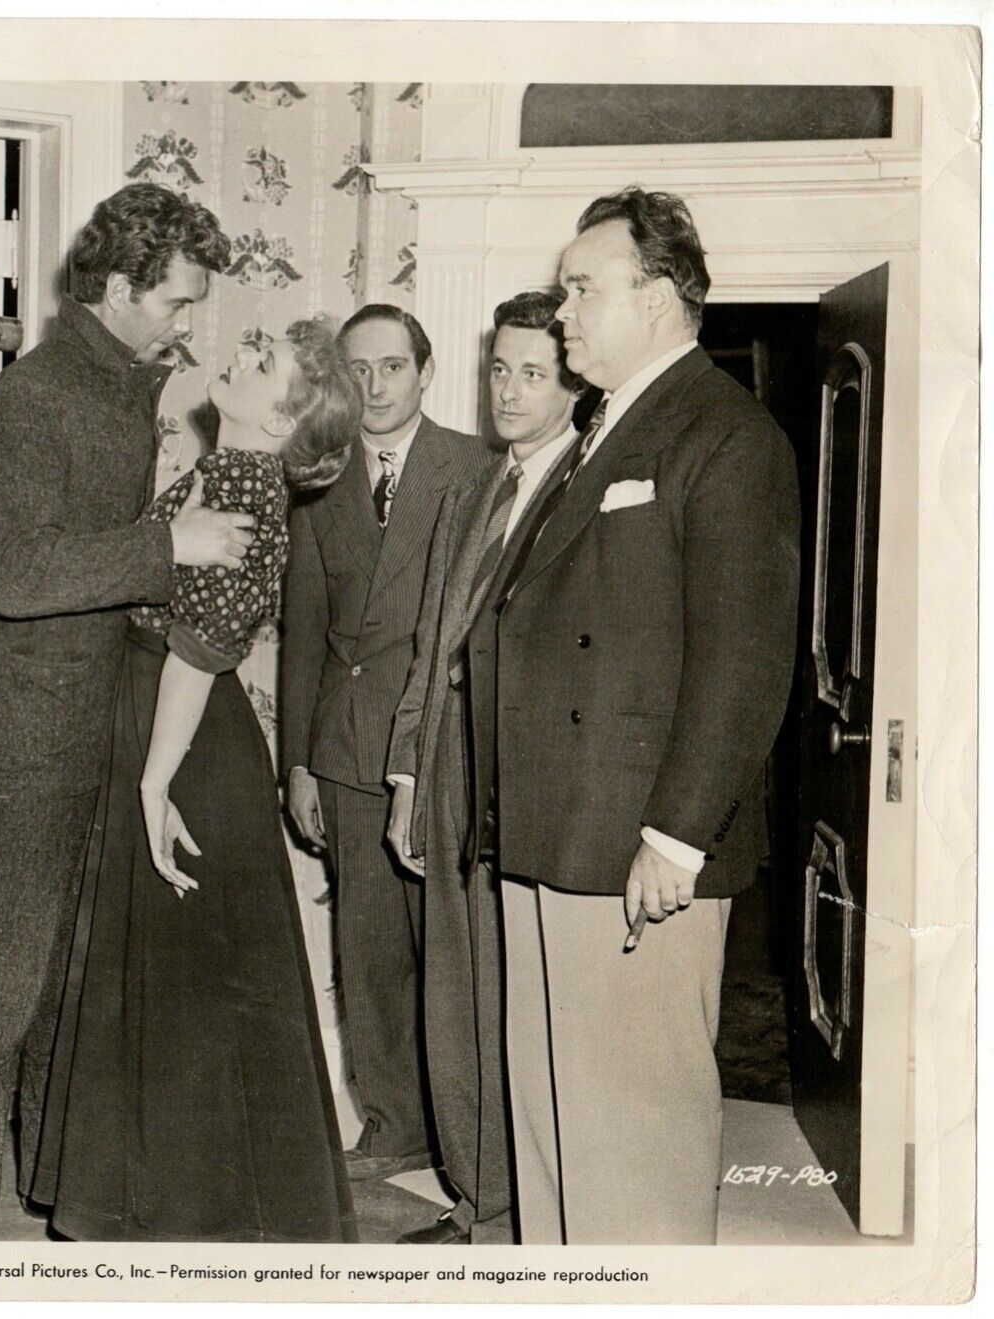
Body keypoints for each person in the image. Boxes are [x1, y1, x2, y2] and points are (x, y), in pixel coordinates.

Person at [0, 183, 250, 1241]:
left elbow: (89, 552)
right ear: (115, 288)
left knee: (58, 992)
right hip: (26, 743)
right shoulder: (32, 398)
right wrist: (170, 547)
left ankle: (55, 1199)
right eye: (177, 305)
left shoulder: (116, 388)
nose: (188, 330)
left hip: (93, 725)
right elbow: (18, 572)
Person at [498, 188, 798, 1244]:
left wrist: (675, 834)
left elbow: (744, 657)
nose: (560, 310)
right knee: (553, 1128)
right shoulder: (602, 429)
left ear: (661, 296)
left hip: (637, 843)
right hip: (551, 831)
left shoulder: (723, 433)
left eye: (582, 288)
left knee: (635, 1139)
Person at [31, 319, 364, 1243]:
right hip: (167, 723)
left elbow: (201, 650)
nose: (245, 357)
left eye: (267, 367)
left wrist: (152, 783)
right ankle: (165, 1198)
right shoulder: (228, 474)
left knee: (184, 973)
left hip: (181, 734)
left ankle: (188, 1206)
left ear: (283, 418)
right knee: (177, 972)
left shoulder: (244, 488)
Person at [386, 290, 587, 1245]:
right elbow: (433, 642)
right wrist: (408, 778)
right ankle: (479, 1199)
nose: (508, 391)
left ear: (574, 381)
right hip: (449, 770)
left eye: (532, 374)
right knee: (455, 995)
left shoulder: (583, 485)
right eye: (500, 369)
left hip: (528, 779)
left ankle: (525, 1209)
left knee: (521, 1002)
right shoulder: (476, 485)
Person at [279, 304, 484, 1183]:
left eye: (391, 368)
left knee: (449, 948)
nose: (373, 387)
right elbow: (303, 630)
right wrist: (298, 760)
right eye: (357, 371)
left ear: (426, 371)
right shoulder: (320, 477)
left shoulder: (477, 467)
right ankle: (394, 1122)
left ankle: (465, 1130)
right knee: (368, 950)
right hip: (349, 748)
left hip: (444, 745)